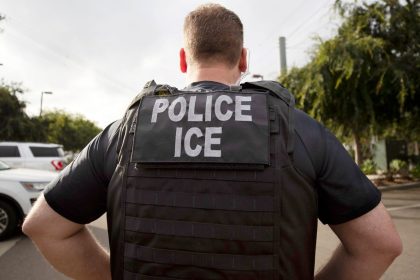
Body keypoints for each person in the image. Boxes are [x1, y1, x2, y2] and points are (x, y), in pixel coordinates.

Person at [23, 3, 402, 280]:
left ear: (183, 60)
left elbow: (44, 226)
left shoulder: (128, 129)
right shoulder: (297, 128)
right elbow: (380, 245)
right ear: (244, 58)